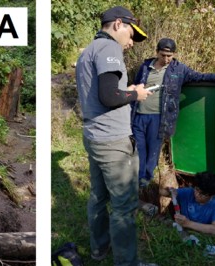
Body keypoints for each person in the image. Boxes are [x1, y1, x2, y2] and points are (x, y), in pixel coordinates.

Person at [75, 6, 154, 266]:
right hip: (113, 141)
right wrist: (136, 95)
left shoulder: (89, 50)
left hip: (95, 135)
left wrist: (126, 89)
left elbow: (104, 91)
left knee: (98, 197)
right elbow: (109, 97)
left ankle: (99, 249)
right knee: (123, 207)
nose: (131, 42)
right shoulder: (110, 49)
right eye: (132, 34)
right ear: (118, 24)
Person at [131, 38, 215, 187]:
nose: (166, 59)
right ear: (156, 53)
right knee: (138, 149)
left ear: (174, 54)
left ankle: (145, 179)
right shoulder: (146, 66)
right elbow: (136, 85)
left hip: (159, 118)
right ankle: (136, 178)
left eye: (169, 56)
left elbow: (199, 77)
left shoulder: (179, 69)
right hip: (139, 114)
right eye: (163, 55)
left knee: (153, 149)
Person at [159, 172, 215, 236]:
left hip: (202, 237)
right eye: (196, 189)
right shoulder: (188, 192)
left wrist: (188, 223)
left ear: (212, 195)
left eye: (202, 194)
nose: (197, 195)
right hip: (182, 233)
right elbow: (163, 192)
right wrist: (168, 190)